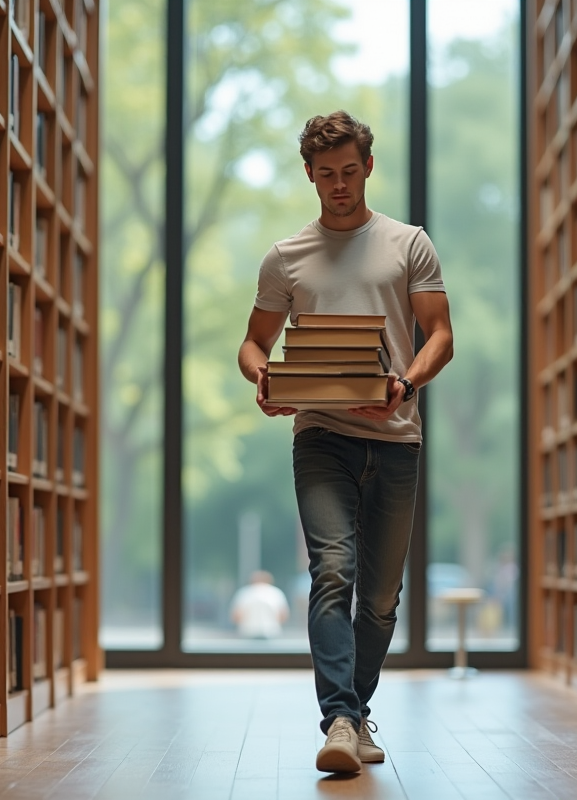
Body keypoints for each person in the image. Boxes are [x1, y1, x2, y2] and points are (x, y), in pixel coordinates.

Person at [236, 111, 454, 773]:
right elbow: (252, 344)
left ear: (368, 167)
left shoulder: (408, 244)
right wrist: (264, 376)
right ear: (309, 174)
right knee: (333, 571)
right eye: (326, 174)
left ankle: (353, 714)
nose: (338, 184)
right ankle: (337, 719)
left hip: (395, 438)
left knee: (382, 598)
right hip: (321, 436)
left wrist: (405, 384)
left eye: (349, 171)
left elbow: (439, 335)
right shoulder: (287, 257)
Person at [229, 570, 290, 639]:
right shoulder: (276, 593)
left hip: (247, 632)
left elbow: (236, 616)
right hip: (271, 632)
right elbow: (283, 616)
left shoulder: (244, 593)